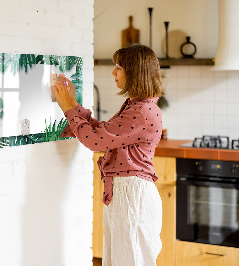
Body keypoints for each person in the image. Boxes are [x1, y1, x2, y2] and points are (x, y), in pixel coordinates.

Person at [52, 44, 164, 266]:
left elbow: (95, 141)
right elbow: (103, 133)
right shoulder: (137, 106)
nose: (113, 72)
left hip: (132, 195)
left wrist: (67, 108)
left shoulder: (141, 111)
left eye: (119, 67)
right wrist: (73, 104)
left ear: (135, 72)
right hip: (127, 193)